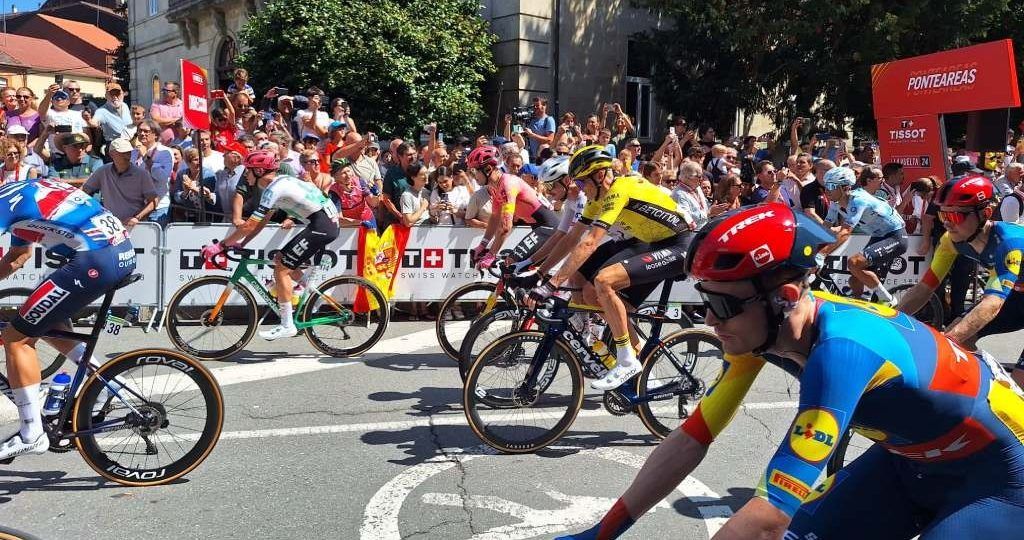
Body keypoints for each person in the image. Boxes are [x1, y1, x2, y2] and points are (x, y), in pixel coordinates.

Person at [560, 202, 1024, 540]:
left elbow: (767, 520)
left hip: (1000, 478)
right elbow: (692, 438)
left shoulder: (841, 350)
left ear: (781, 299)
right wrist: (604, 531)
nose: (708, 320)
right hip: (910, 462)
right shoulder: (760, 333)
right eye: (705, 301)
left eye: (720, 304)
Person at [528, 145, 695, 390]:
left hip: (681, 245)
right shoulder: (598, 199)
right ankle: (637, 359)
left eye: (583, 183)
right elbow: (572, 238)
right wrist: (541, 273)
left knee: (603, 280)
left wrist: (552, 285)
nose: (581, 189)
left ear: (598, 175)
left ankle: (627, 360)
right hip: (654, 245)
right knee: (595, 295)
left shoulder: (620, 190)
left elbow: (590, 242)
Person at [0, 178, 136, 460]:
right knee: (40, 320)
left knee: (16, 339)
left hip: (95, 259)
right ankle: (107, 381)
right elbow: (18, 255)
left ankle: (31, 433)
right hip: (115, 252)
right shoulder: (18, 191)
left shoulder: (4, 203)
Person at [898, 175, 1024, 388]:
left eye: (955, 215)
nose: (946, 223)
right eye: (942, 214)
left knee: (1020, 385)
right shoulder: (950, 241)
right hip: (1017, 297)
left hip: (1007, 299)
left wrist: (946, 345)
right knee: (961, 337)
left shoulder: (1010, 243)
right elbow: (924, 288)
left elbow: (992, 303)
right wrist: (891, 320)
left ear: (984, 214)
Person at [202, 151, 339, 340]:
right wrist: (243, 243)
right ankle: (313, 294)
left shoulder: (273, 189)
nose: (245, 176)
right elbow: (262, 221)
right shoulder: (279, 183)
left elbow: (249, 224)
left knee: (281, 270)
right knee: (280, 259)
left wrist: (221, 246)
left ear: (258, 170)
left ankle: (287, 325)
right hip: (322, 223)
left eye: (247, 172)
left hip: (322, 226)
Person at [819, 166, 906, 305]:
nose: (827, 190)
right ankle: (858, 306)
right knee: (854, 280)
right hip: (878, 236)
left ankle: (889, 300)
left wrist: (821, 254)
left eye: (831, 186)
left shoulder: (858, 200)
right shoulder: (835, 204)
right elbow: (824, 229)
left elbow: (845, 232)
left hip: (895, 236)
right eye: (826, 185)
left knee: (854, 263)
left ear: (845, 188)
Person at [466, 145, 558, 269]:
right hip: (538, 227)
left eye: (475, 171)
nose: (473, 175)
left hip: (548, 227)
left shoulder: (507, 184)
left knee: (511, 263)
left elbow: (505, 227)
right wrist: (482, 245)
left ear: (487, 169)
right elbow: (495, 217)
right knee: (519, 272)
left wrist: (491, 254)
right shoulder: (494, 188)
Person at [82, 138, 158, 228]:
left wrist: (137, 218)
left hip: (134, 227)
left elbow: (153, 201)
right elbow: (84, 190)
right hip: (110, 226)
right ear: (112, 154)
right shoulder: (103, 171)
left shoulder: (142, 174)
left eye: (128, 152)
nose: (127, 156)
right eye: (123, 153)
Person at [327, 158, 378, 229]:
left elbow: (373, 203)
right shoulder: (333, 192)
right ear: (335, 177)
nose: (348, 175)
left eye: (348, 171)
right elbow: (338, 219)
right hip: (350, 226)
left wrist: (377, 194)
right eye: (343, 173)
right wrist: (359, 223)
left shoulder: (360, 182)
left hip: (368, 219)